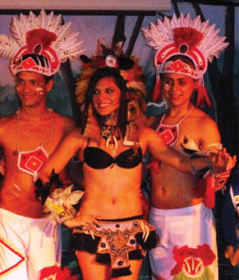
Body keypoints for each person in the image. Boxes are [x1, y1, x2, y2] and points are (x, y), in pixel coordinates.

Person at [37, 43, 234, 280]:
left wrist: (211, 162)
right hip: (91, 229)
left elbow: (182, 163)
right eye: (96, 92)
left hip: (132, 228)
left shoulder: (143, 134)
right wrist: (68, 218)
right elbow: (44, 175)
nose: (102, 98)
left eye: (109, 91)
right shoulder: (81, 136)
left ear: (122, 94)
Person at [0, 10, 83, 280]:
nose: (26, 89)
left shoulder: (66, 127)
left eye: (35, 83)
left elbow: (76, 175)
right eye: (21, 82)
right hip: (7, 222)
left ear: (49, 85)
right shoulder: (1, 128)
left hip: (45, 224)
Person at [142, 14, 236, 279]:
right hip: (157, 218)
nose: (174, 89)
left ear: (196, 83)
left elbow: (218, 177)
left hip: (191, 220)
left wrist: (219, 170)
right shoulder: (153, 121)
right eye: (168, 81)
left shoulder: (203, 124)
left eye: (181, 82)